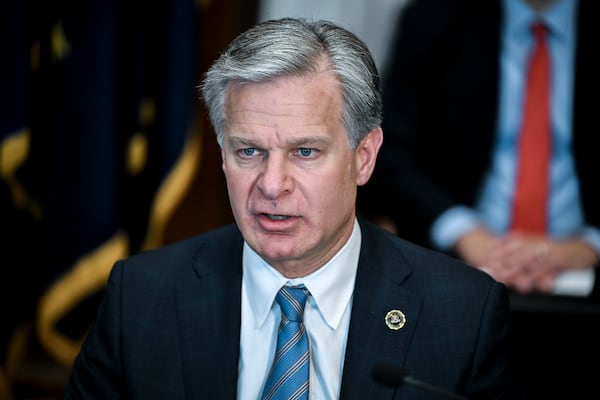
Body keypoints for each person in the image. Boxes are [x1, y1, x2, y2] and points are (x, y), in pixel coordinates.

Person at [62, 17, 517, 399]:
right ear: (222, 155)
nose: (272, 184)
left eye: (305, 152)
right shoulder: (139, 300)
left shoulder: (463, 315)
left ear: (364, 157)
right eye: (248, 151)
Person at [358, 0, 600, 397]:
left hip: (586, 279)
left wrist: (588, 246)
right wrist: (466, 233)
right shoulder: (435, 19)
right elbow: (390, 149)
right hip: (460, 269)